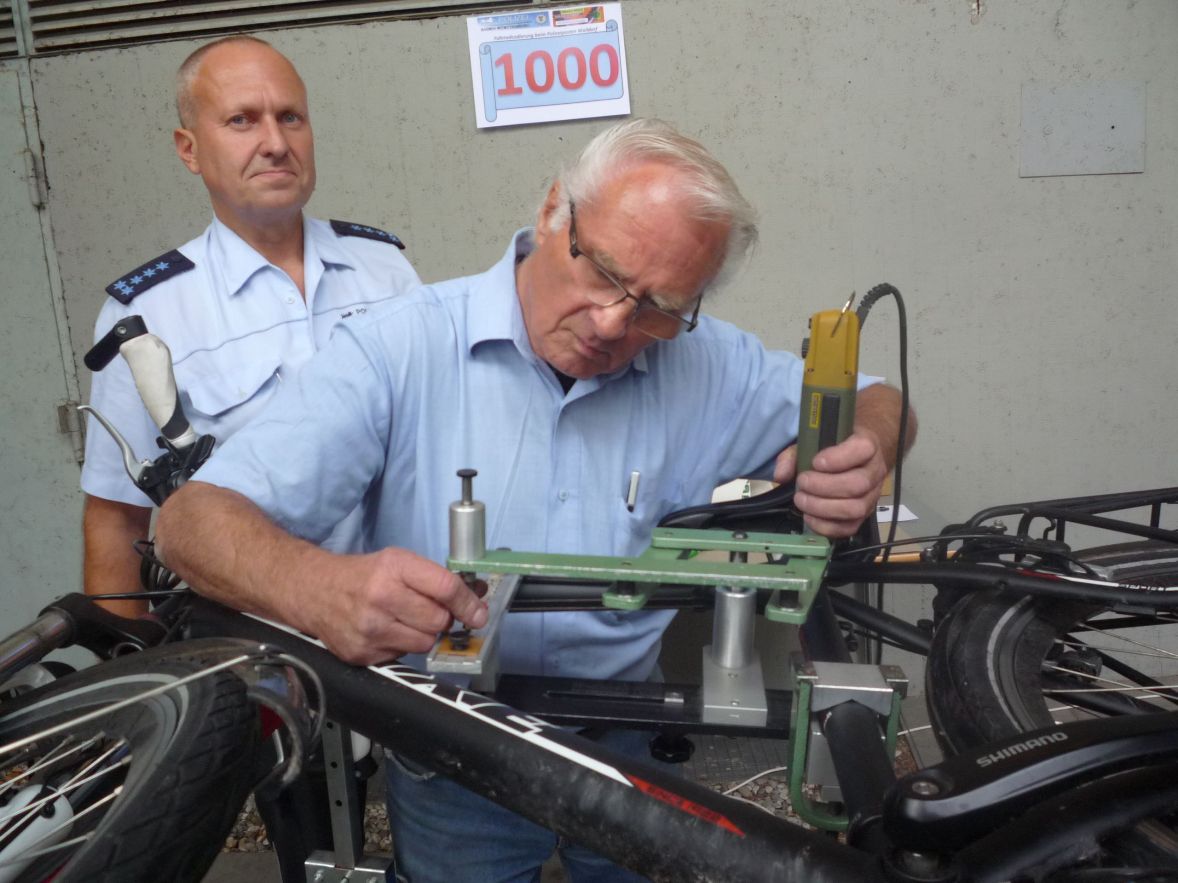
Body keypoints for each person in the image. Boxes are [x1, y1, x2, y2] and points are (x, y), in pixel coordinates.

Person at [155, 118, 917, 881]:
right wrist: (316, 588)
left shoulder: (702, 359)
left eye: (657, 306)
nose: (615, 323)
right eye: (606, 275)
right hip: (453, 745)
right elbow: (190, 522)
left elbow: (885, 400)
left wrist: (869, 449)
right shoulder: (399, 348)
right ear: (556, 211)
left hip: (627, 742)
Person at [80, 35, 421, 619]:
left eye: (290, 117)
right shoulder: (146, 314)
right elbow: (116, 518)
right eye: (242, 120)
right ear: (189, 149)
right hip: (249, 649)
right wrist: (130, 676)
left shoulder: (384, 270)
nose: (275, 143)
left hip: (401, 629)